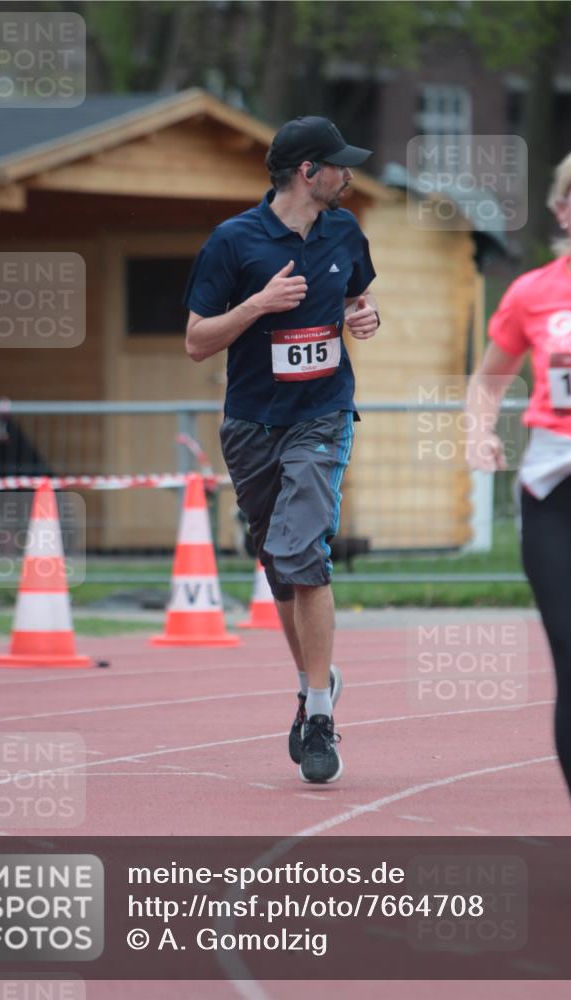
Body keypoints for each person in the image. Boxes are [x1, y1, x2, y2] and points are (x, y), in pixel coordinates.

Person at [184, 116, 380, 783]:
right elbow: (196, 340)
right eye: (338, 164)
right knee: (276, 560)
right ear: (307, 172)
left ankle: (319, 712)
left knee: (303, 550)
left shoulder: (344, 230)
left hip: (321, 415)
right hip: (250, 422)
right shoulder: (233, 242)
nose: (348, 173)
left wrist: (365, 316)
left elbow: (360, 296)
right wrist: (258, 306)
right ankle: (312, 683)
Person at [466, 134, 571, 903]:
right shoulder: (531, 293)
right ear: (562, 209)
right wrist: (478, 429)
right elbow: (487, 381)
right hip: (558, 498)